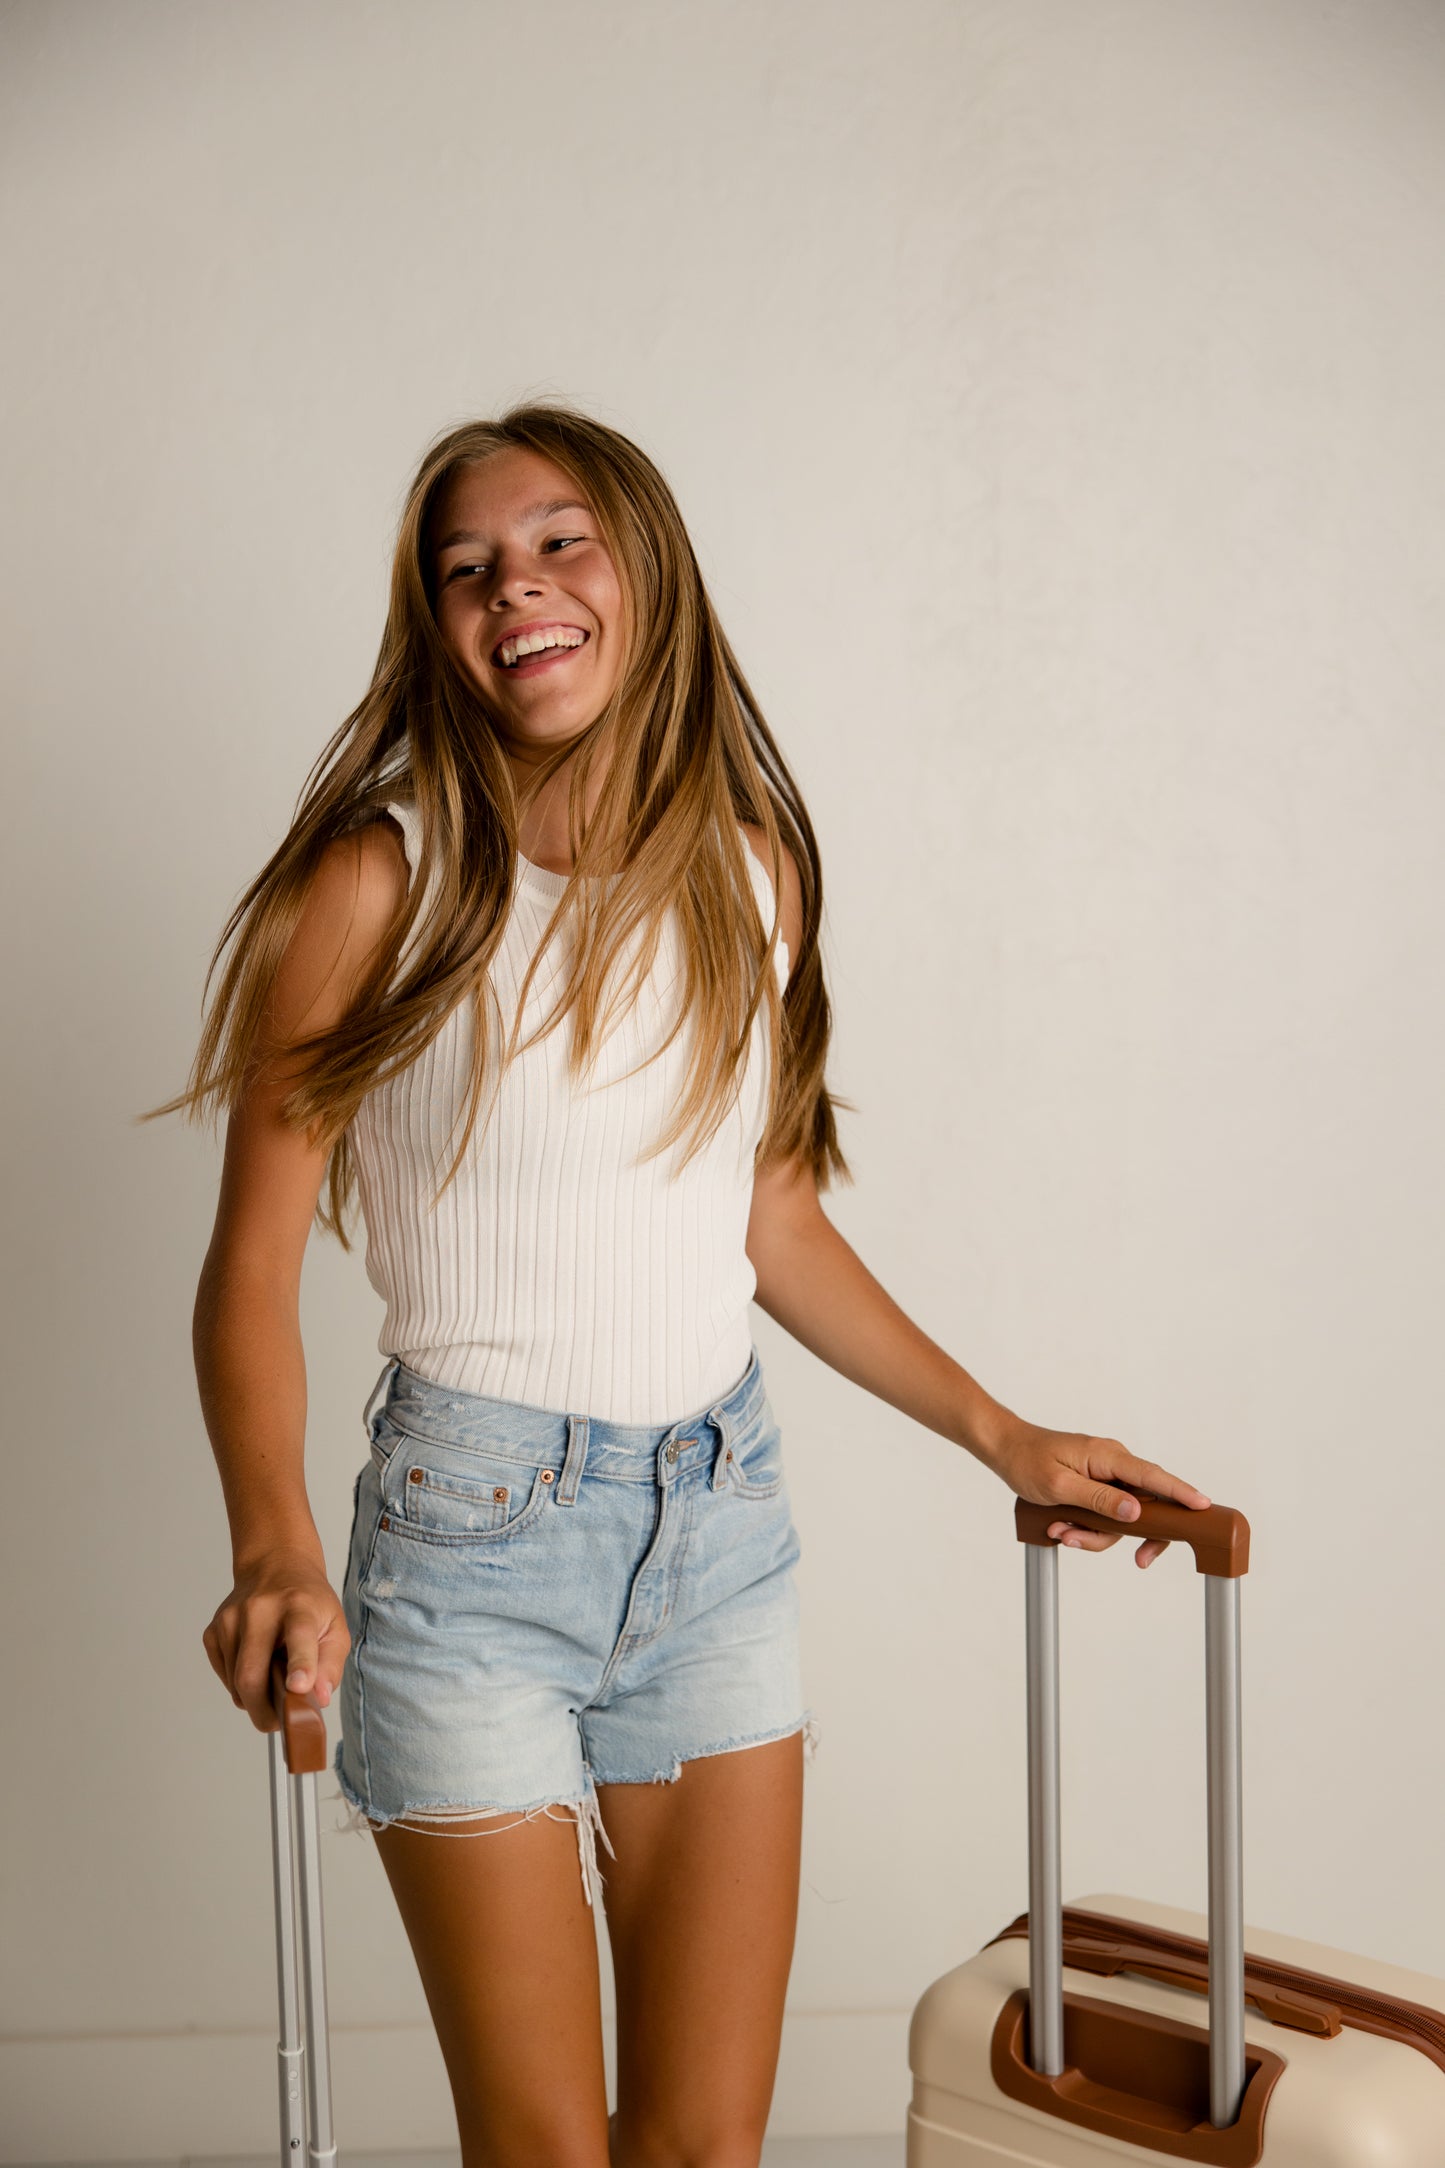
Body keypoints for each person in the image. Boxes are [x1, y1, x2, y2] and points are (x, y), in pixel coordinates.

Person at [152, 402, 1212, 2168]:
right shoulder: (374, 888)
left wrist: (1000, 1434)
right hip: (466, 1548)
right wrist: (273, 1544)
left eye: (561, 541)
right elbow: (248, 1276)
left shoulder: (749, 874)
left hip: (718, 1532)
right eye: (470, 566)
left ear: (645, 570)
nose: (519, 589)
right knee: (553, 2154)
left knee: (705, 2153)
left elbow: (767, 1215)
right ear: (440, 623)